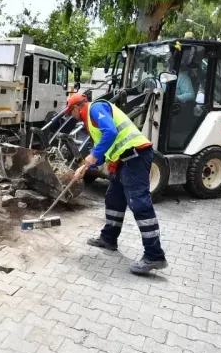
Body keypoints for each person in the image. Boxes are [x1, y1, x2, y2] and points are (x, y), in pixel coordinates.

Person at [66, 93, 168, 274]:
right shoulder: (91, 121)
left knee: (140, 204)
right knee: (114, 200)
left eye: (70, 112)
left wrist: (93, 156)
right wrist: (85, 167)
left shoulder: (95, 108)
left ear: (76, 108)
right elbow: (106, 148)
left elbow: (111, 132)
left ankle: (154, 255)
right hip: (122, 161)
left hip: (135, 156)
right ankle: (109, 238)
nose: (71, 116)